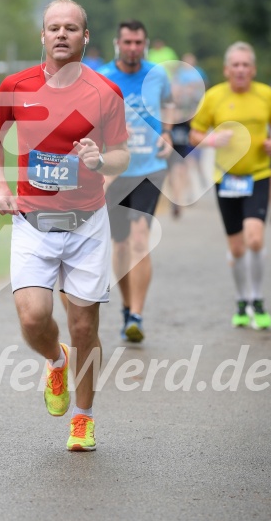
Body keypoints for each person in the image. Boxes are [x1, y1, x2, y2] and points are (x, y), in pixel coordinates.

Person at [0, 0, 129, 451]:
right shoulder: (16, 86)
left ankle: (83, 418)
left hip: (86, 225)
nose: (61, 34)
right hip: (32, 221)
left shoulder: (105, 92)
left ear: (86, 37)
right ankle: (55, 358)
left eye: (71, 28)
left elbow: (122, 154)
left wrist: (99, 159)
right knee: (33, 317)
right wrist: (0, 188)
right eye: (53, 28)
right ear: (42, 37)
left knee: (85, 326)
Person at [190, 41, 271, 329]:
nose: (240, 70)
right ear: (227, 70)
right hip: (225, 179)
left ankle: (258, 299)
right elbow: (195, 134)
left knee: (255, 238)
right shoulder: (214, 97)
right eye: (235, 65)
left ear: (253, 69)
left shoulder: (266, 95)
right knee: (237, 248)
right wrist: (212, 140)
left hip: (259, 175)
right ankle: (241, 300)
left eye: (245, 65)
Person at [98, 20, 173, 343]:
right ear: (118, 43)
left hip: (149, 168)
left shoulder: (158, 74)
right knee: (121, 245)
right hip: (115, 170)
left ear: (146, 44)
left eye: (138, 42)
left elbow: (169, 103)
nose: (133, 48)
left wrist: (168, 131)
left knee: (141, 238)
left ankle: (138, 316)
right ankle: (127, 308)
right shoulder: (102, 77)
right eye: (127, 42)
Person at [168, 53, 208, 218]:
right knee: (173, 171)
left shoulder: (193, 94)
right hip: (171, 139)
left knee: (185, 167)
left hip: (186, 137)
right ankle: (178, 197)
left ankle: (183, 197)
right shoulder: (169, 98)